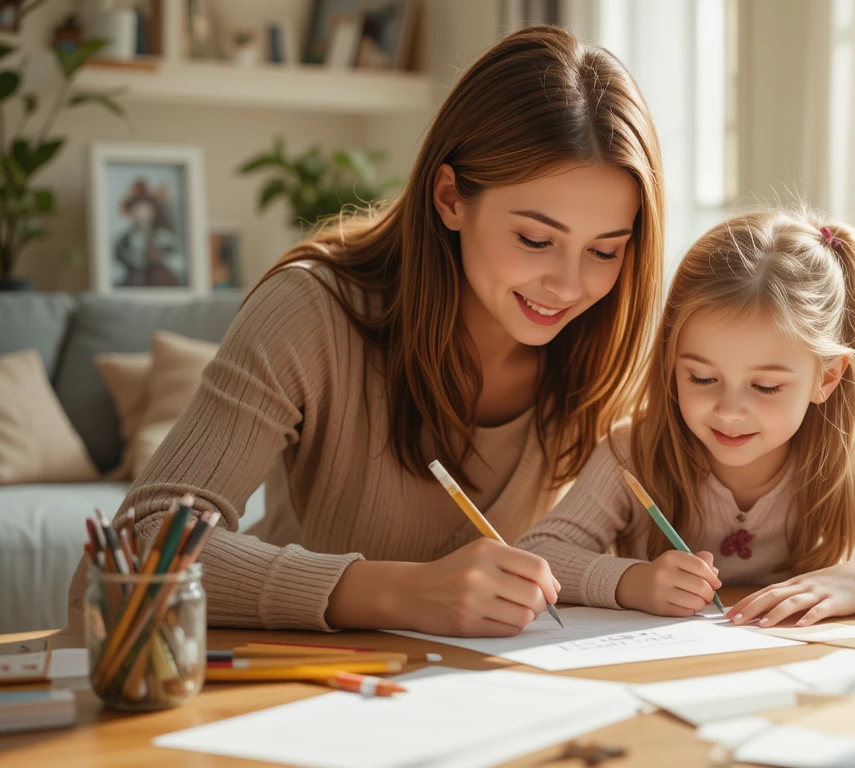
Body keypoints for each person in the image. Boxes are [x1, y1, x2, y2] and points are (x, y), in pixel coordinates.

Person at [68, 25, 665, 637]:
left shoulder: (603, 345)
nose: (568, 287)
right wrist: (396, 592)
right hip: (307, 691)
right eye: (536, 240)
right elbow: (131, 553)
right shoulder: (309, 311)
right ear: (451, 196)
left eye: (605, 251)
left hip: (488, 696)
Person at [517, 209, 855, 627]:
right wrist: (633, 582)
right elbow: (539, 553)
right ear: (672, 363)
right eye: (700, 378)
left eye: (765, 387)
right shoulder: (634, 453)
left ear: (826, 378)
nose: (730, 410)